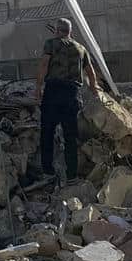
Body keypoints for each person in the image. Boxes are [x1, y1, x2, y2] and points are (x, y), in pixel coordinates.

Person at [33, 17, 92, 182]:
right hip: (72, 94)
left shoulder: (51, 44)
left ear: (57, 30)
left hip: (53, 92)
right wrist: (95, 89)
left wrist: (38, 87)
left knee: (47, 133)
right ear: (71, 32)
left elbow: (44, 65)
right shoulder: (81, 48)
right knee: (70, 137)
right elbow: (91, 73)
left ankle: (48, 172)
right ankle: (72, 175)